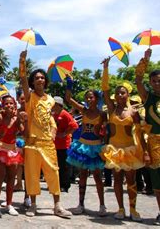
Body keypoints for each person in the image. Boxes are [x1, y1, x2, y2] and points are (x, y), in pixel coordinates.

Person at [18, 50, 72, 218]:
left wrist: (54, 133)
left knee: (53, 172)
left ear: (45, 81)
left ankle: (57, 205)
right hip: (32, 142)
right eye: (36, 78)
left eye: (42, 77)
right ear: (33, 82)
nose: (39, 80)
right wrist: (22, 63)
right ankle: (33, 205)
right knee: (32, 174)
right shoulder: (30, 97)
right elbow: (23, 81)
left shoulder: (50, 99)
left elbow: (51, 119)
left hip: (47, 142)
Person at [101, 57, 145, 221]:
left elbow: (139, 131)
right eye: (118, 93)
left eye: (123, 92)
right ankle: (120, 209)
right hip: (114, 148)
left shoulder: (133, 111)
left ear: (127, 94)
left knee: (131, 180)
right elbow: (104, 90)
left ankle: (133, 209)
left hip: (129, 148)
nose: (120, 95)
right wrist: (106, 69)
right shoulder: (111, 109)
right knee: (117, 180)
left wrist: (143, 149)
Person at [64, 80, 107, 216]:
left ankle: (102, 206)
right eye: (87, 97)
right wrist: (69, 85)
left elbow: (105, 131)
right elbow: (68, 99)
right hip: (83, 146)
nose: (89, 99)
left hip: (96, 147)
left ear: (97, 98)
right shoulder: (84, 110)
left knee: (97, 177)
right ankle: (81, 204)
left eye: (91, 97)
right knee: (82, 175)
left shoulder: (102, 114)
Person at [135, 48, 160, 225]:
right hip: (155, 143)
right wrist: (145, 60)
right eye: (154, 81)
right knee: (158, 179)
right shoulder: (148, 97)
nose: (157, 84)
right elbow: (138, 80)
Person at [0, 95, 24, 217]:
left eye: (11, 103)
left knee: (11, 178)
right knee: (0, 176)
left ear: (15, 105)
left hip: (12, 150)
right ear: (2, 106)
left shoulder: (16, 119)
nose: (9, 105)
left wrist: (22, 119)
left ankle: (9, 204)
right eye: (6, 103)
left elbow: (24, 132)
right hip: (0, 148)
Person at [51, 96, 79, 193]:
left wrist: (65, 133)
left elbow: (74, 126)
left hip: (64, 145)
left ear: (59, 105)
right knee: (56, 165)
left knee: (64, 166)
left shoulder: (65, 114)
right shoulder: (53, 115)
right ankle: (57, 184)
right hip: (55, 144)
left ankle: (65, 185)